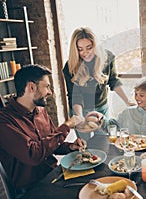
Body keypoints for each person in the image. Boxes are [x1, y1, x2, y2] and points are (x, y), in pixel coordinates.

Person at [0, 64, 87, 193]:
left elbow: (51, 143)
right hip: (32, 188)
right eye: (46, 86)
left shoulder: (41, 111)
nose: (50, 92)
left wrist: (70, 147)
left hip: (53, 175)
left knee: (93, 184)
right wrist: (66, 126)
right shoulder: (5, 121)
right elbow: (33, 155)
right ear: (31, 87)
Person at [62, 27, 133, 141]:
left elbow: (113, 81)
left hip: (102, 108)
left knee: (104, 141)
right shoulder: (70, 67)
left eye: (89, 48)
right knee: (85, 145)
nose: (85, 53)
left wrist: (127, 101)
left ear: (95, 45)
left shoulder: (107, 58)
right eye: (80, 49)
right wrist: (79, 116)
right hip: (81, 110)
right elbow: (74, 96)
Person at [103, 76, 146, 141]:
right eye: (136, 94)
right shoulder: (127, 112)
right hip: (130, 150)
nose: (137, 98)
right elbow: (112, 125)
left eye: (141, 95)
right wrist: (101, 119)